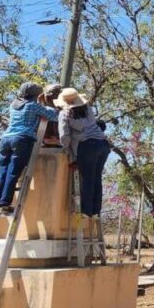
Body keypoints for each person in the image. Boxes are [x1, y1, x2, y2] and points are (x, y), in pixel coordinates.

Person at [0, 83, 58, 213]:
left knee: (2, 171)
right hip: (21, 139)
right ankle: (4, 204)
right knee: (13, 172)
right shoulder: (33, 105)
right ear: (36, 95)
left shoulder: (13, 105)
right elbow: (53, 116)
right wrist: (48, 104)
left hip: (6, 139)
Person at [55, 87, 110, 219]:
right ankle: (96, 211)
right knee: (96, 178)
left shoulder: (64, 113)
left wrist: (66, 148)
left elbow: (64, 135)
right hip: (103, 143)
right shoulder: (87, 108)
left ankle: (87, 211)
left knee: (88, 179)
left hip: (87, 145)